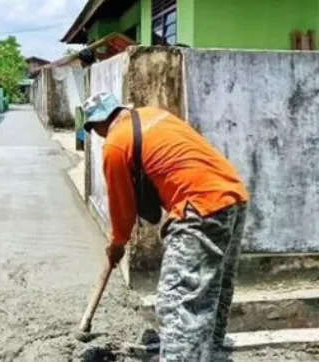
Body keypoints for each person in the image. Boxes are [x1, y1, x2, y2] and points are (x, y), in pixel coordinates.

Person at [82, 91, 249, 362]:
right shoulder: (154, 115)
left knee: (178, 303)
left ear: (98, 125)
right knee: (212, 292)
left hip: (199, 208)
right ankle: (209, 353)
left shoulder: (114, 144)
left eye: (94, 130)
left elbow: (121, 207)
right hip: (234, 197)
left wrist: (117, 244)